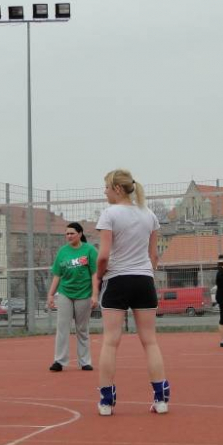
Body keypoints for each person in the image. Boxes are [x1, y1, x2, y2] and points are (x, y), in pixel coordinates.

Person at [95, 169, 169, 416]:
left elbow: (103, 256)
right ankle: (161, 399)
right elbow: (154, 255)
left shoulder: (109, 214)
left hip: (117, 279)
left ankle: (106, 401)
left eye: (106, 187)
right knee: (150, 341)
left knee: (110, 341)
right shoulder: (149, 215)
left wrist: (99, 275)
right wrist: (146, 272)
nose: (104, 192)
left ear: (117, 189)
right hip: (144, 280)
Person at [47, 222, 98, 371]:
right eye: (67, 234)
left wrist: (95, 295)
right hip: (65, 293)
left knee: (82, 329)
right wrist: (51, 295)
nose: (69, 236)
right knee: (62, 327)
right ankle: (59, 361)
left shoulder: (90, 250)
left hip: (84, 294)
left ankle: (85, 361)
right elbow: (57, 275)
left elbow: (95, 274)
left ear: (80, 234)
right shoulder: (63, 251)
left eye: (72, 233)